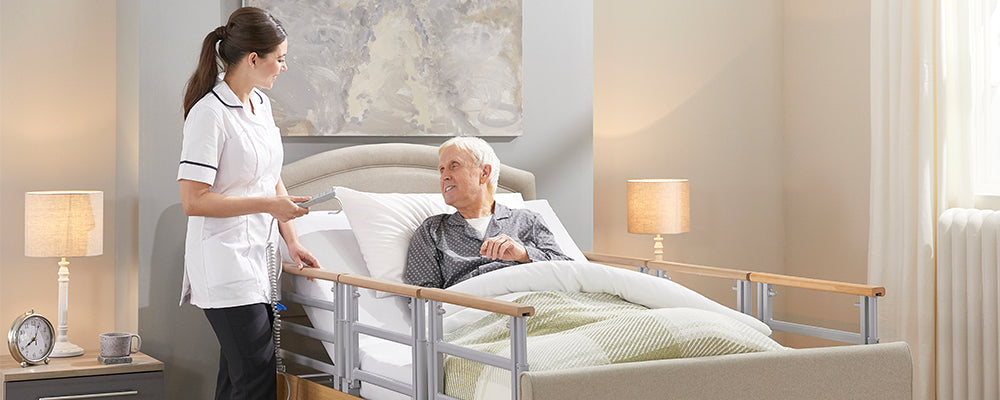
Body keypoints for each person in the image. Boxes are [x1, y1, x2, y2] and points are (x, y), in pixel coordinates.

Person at [177, 7, 319, 400]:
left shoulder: (260, 106)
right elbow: (193, 200)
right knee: (256, 382)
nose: (284, 67)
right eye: (281, 58)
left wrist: (291, 240)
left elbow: (272, 177)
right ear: (254, 59)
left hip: (259, 260)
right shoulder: (209, 114)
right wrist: (267, 207)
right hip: (223, 262)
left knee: (237, 379)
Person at [404, 137, 571, 288]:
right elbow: (423, 298)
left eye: (453, 166)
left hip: (538, 303)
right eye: (441, 170)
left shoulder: (527, 220)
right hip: (478, 313)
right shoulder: (433, 231)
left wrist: (523, 254)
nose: (444, 177)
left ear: (484, 173)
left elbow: (567, 269)